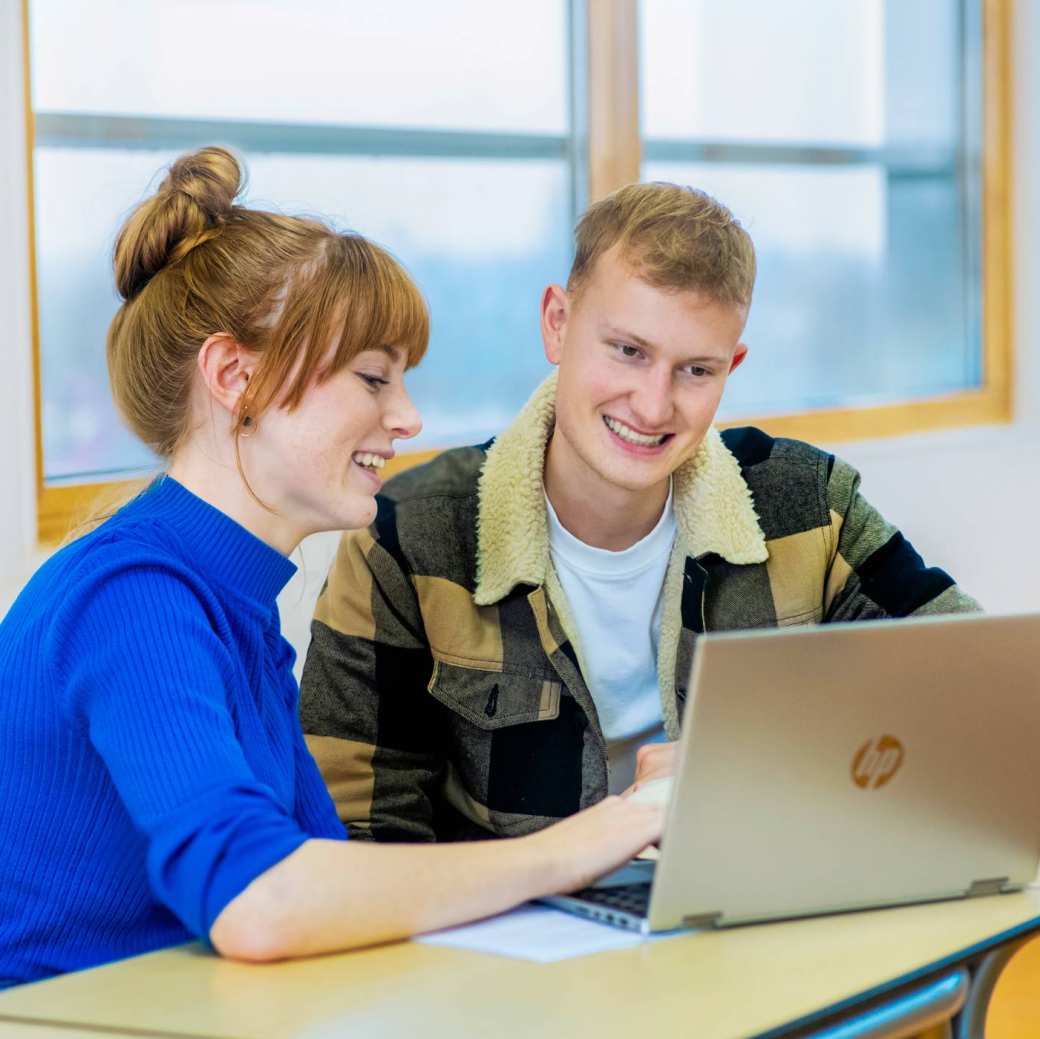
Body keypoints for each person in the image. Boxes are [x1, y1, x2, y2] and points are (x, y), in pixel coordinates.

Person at [0, 148, 662, 988]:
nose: (408, 417)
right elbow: (261, 899)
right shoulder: (131, 599)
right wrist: (589, 839)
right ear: (235, 376)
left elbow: (317, 877)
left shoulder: (232, 609)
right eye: (372, 378)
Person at [299, 181, 979, 843]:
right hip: (510, 938)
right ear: (557, 325)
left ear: (732, 365)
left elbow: (982, 695)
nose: (654, 406)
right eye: (628, 351)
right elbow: (353, 829)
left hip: (755, 921)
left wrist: (747, 772)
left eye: (696, 371)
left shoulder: (810, 505)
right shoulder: (405, 535)